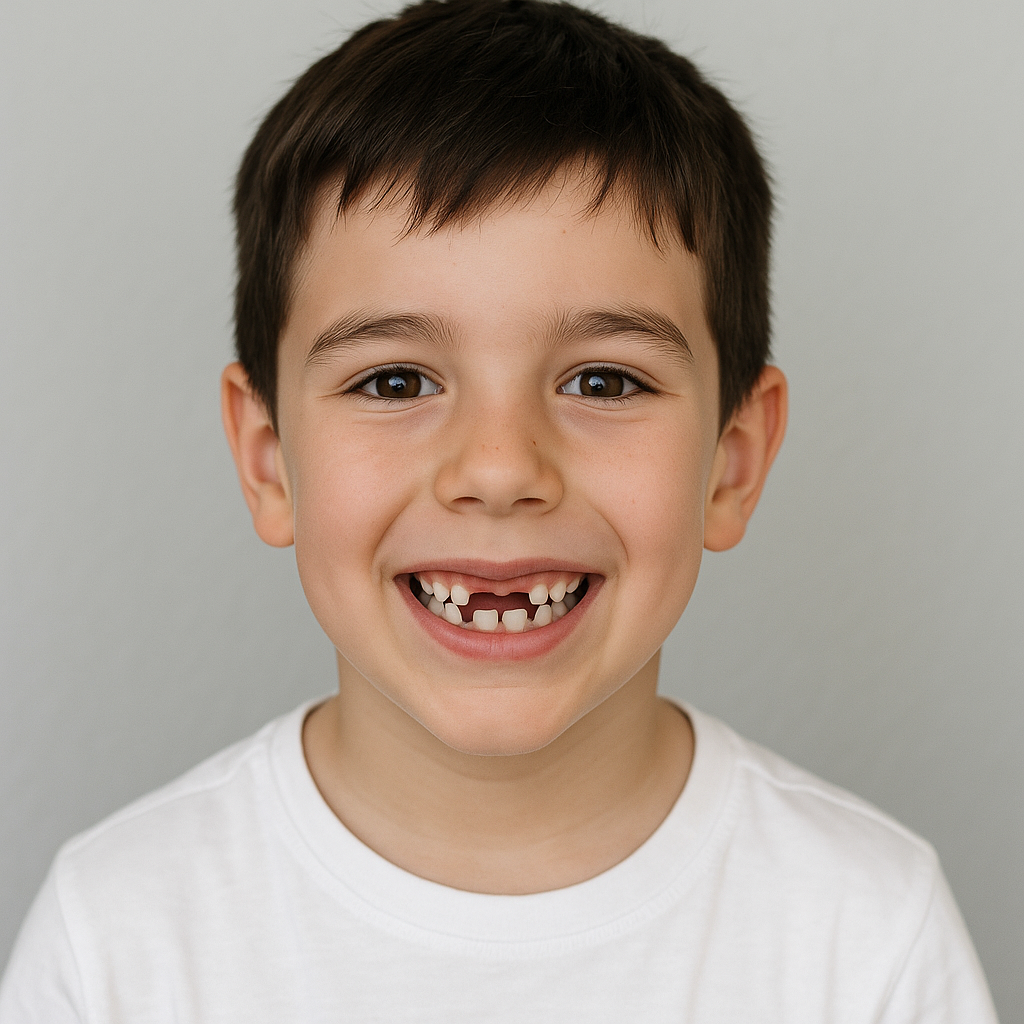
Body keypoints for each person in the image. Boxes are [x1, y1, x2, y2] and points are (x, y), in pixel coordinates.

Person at [0, 1, 999, 1020]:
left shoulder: (867, 936)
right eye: (394, 381)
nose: (496, 467)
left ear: (730, 464)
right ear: (268, 461)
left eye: (603, 382)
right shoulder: (116, 938)